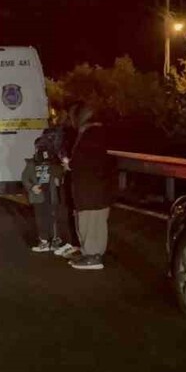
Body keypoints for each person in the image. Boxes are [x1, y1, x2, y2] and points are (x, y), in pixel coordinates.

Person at [66, 116, 115, 270]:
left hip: (89, 195)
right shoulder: (101, 143)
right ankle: (90, 253)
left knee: (90, 225)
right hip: (98, 194)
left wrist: (69, 164)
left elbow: (77, 163)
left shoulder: (88, 142)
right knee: (94, 225)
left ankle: (92, 256)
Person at [22, 131, 71, 253]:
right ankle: (44, 241)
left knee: (54, 217)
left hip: (52, 194)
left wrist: (59, 166)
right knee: (41, 218)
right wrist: (32, 187)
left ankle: (55, 240)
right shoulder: (31, 163)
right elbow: (25, 177)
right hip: (39, 196)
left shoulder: (54, 164)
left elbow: (60, 174)